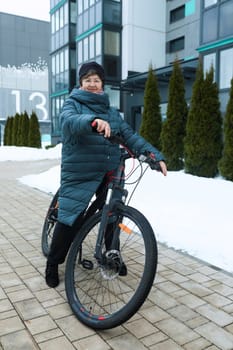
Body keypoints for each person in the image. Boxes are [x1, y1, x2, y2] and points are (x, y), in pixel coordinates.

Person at [45, 61, 167, 288]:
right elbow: (68, 122)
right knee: (71, 216)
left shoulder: (112, 112)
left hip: (110, 169)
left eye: (96, 80)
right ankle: (53, 262)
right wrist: (92, 122)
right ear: (81, 83)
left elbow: (130, 136)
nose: (92, 84)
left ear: (102, 84)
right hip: (81, 170)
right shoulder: (73, 104)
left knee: (113, 214)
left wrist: (154, 156)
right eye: (88, 80)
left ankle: (112, 255)